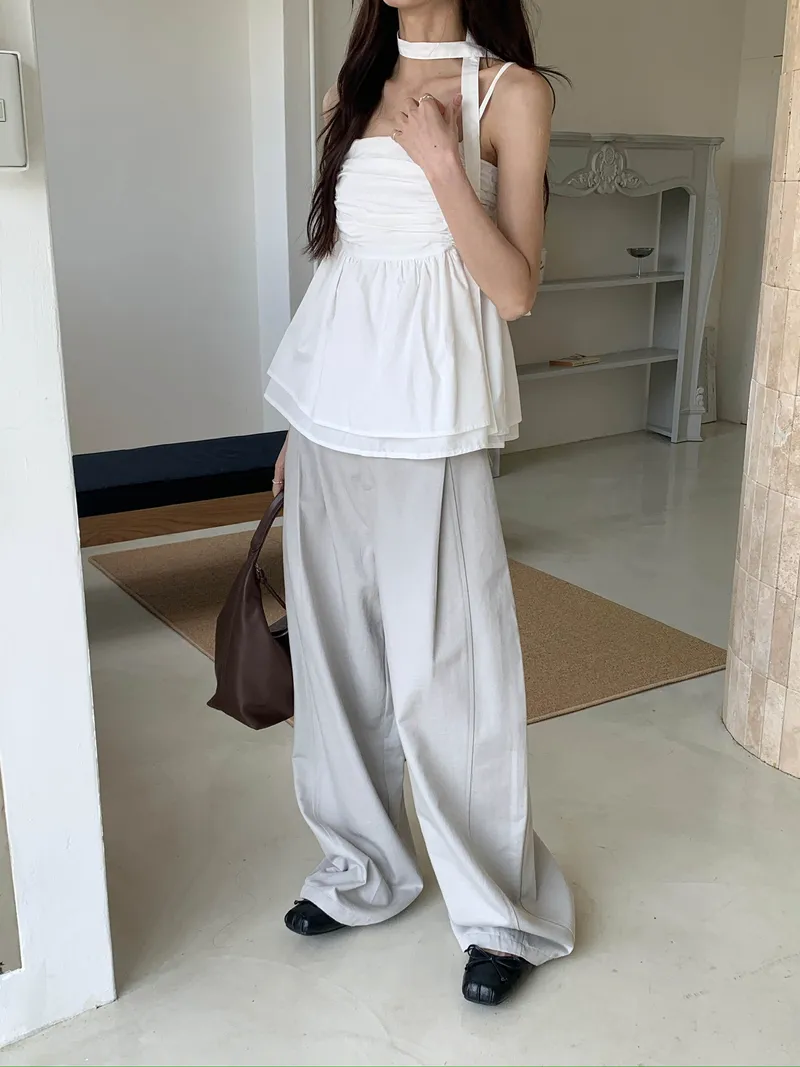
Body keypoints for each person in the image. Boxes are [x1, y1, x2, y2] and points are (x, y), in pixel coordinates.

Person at [266, 0, 575, 1006]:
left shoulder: (509, 96)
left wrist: (445, 166)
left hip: (431, 423)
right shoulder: (350, 89)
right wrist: (296, 428)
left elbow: (514, 291)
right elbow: (341, 268)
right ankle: (363, 868)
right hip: (328, 420)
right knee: (336, 662)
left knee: (451, 675)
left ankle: (499, 913)